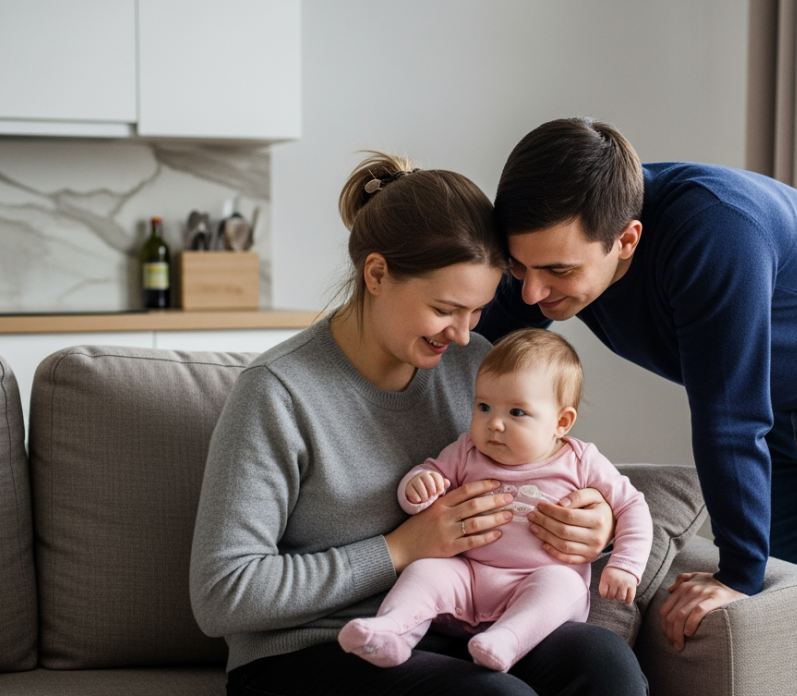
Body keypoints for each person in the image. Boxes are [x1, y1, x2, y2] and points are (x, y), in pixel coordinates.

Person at [476, 118, 797, 696]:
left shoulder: (713, 233)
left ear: (626, 239)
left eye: (558, 271)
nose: (531, 293)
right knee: (771, 623)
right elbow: (475, 344)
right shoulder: (552, 261)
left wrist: (737, 572)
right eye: (518, 267)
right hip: (778, 401)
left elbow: (730, 418)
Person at [189, 152, 648, 696]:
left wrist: (596, 528)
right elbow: (222, 594)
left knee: (604, 660)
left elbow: (554, 468)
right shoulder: (278, 393)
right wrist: (402, 549)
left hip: (458, 624)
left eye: (476, 312)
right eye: (446, 308)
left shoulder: (474, 366)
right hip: (309, 651)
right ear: (377, 273)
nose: (461, 334)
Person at [339, 328, 652, 673]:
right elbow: (429, 475)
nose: (494, 424)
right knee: (425, 571)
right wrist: (418, 487)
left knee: (561, 584)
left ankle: (507, 641)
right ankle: (391, 633)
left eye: (516, 413)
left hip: (536, 581)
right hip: (468, 576)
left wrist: (625, 565)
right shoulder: (465, 451)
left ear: (561, 422)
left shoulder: (581, 461)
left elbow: (632, 507)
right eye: (484, 407)